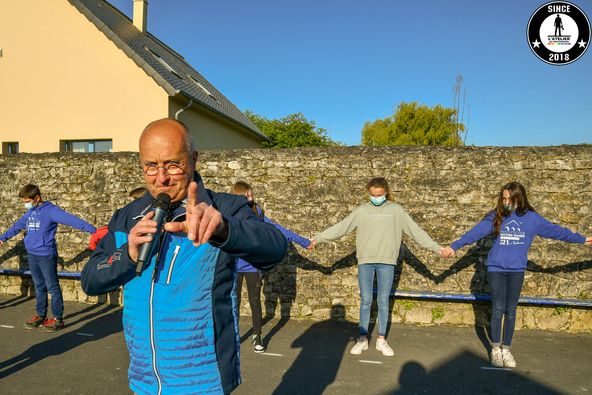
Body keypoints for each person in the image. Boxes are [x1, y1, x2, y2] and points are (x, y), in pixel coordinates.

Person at [81, 118, 288, 395]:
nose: (161, 177)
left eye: (172, 164)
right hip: (144, 380)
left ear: (193, 160)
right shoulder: (126, 217)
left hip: (203, 382)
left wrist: (224, 229)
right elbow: (91, 280)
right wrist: (127, 255)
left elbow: (275, 248)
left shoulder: (224, 208)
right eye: (151, 166)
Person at [442, 181, 592, 368]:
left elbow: (556, 231)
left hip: (516, 270)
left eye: (509, 199)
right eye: (503, 198)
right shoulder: (495, 216)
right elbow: (474, 233)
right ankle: (495, 349)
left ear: (519, 198)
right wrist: (454, 247)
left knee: (511, 311)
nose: (505, 202)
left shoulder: (532, 219)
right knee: (498, 309)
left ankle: (506, 349)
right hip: (496, 268)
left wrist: (583, 239)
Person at [311, 177, 444, 356]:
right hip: (365, 262)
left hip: (387, 263)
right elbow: (341, 227)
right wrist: (317, 239)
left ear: (386, 193)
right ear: (368, 192)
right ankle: (362, 338)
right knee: (365, 301)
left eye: (379, 195)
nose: (376, 197)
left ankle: (381, 340)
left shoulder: (397, 211)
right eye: (372, 195)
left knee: (383, 301)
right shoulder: (362, 211)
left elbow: (416, 232)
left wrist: (438, 248)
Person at [0, 184, 96, 332]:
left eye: (27, 201)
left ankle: (58, 319)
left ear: (37, 198)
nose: (25, 204)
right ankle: (41, 315)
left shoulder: (51, 211)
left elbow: (72, 220)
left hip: (46, 255)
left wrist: (94, 231)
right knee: (39, 286)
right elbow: (17, 226)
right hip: (32, 254)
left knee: (52, 286)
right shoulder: (30, 212)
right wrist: (2, 238)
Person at [230, 181, 311, 353]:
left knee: (255, 302)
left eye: (252, 195)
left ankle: (257, 336)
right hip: (233, 266)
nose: (251, 199)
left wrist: (303, 242)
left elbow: (278, 229)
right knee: (233, 303)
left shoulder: (257, 213)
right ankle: (233, 337)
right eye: (247, 196)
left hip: (252, 266)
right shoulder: (229, 213)